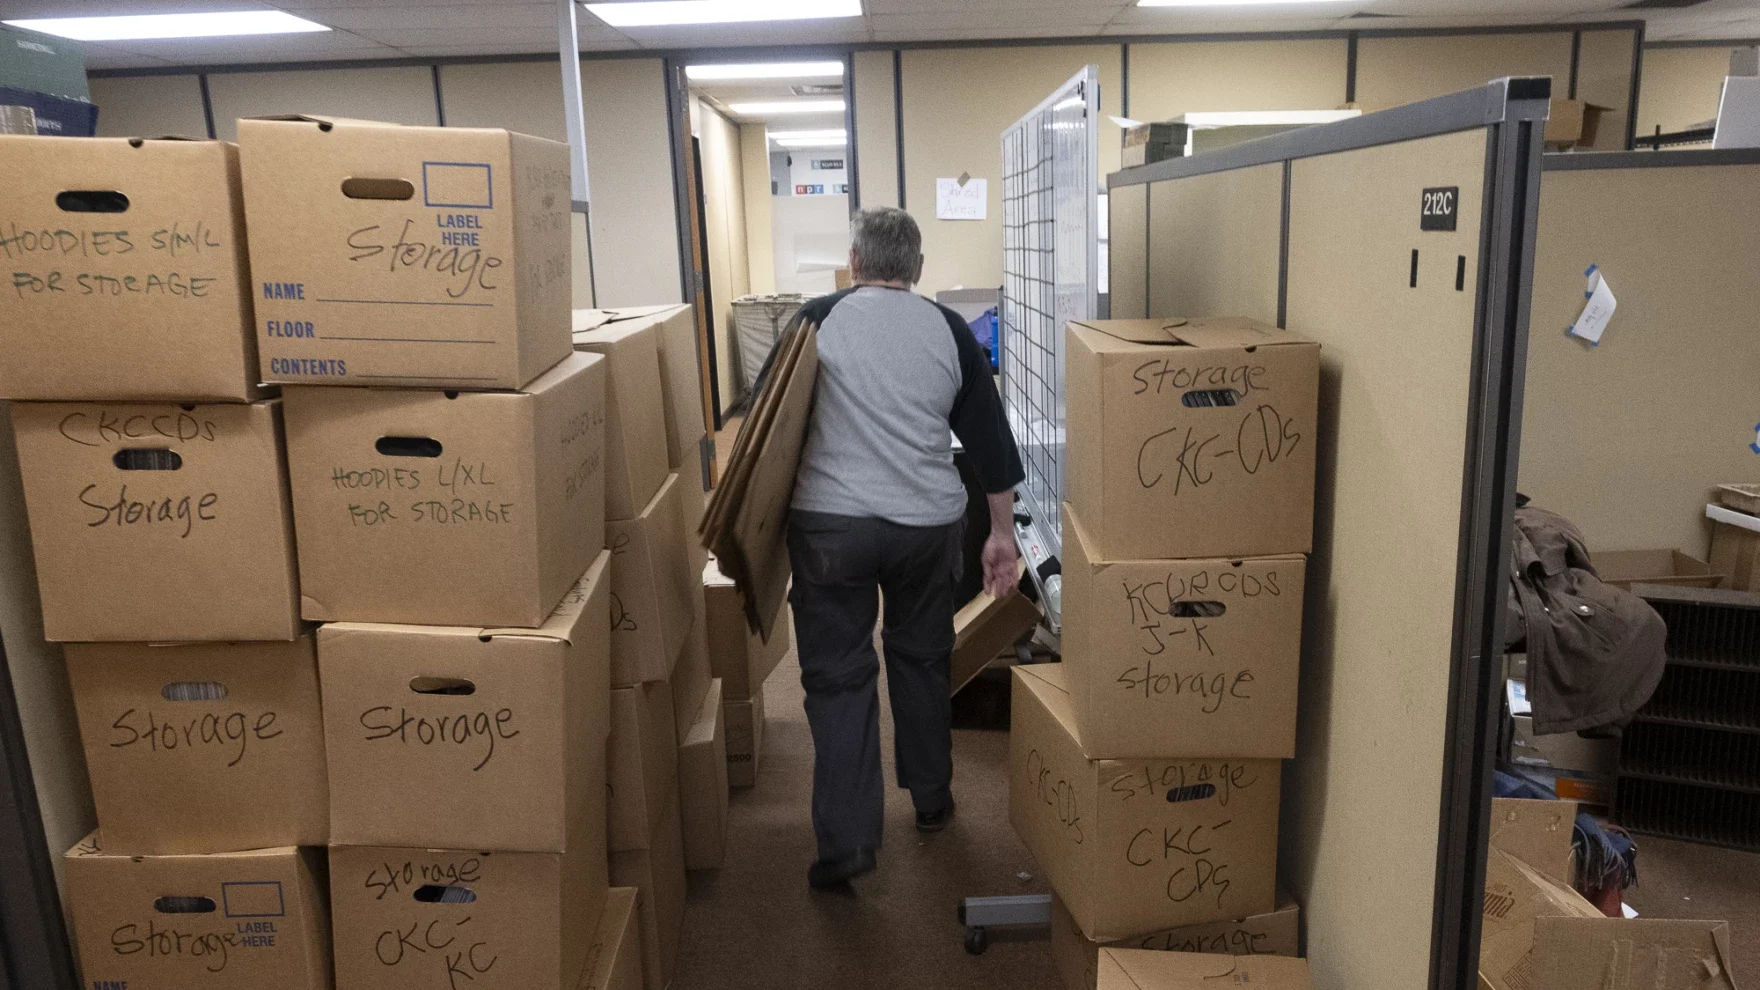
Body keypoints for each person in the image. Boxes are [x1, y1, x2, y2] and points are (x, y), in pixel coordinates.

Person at [785, 206, 1024, 890]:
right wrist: (1002, 536)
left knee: (839, 679)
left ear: (854, 264)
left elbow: (771, 434)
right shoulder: (948, 330)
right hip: (926, 529)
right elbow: (991, 445)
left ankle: (848, 843)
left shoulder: (815, 319)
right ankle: (931, 799)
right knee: (921, 659)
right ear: (917, 270)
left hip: (831, 528)